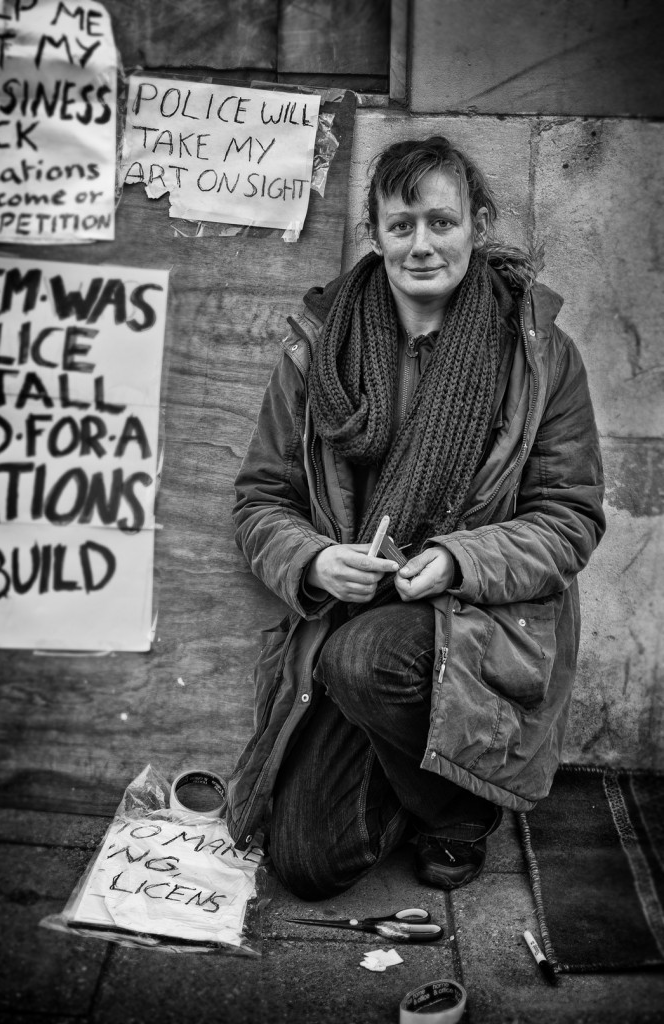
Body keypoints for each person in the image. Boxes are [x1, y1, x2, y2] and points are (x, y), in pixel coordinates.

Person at [225, 135, 605, 900]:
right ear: (375, 233)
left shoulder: (539, 356)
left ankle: (458, 818)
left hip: (476, 620)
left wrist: (460, 559)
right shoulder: (316, 351)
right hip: (346, 615)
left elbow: (569, 518)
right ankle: (423, 781)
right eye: (401, 226)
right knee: (306, 865)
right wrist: (309, 560)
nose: (422, 245)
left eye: (441, 222)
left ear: (477, 224)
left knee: (362, 660)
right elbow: (260, 499)